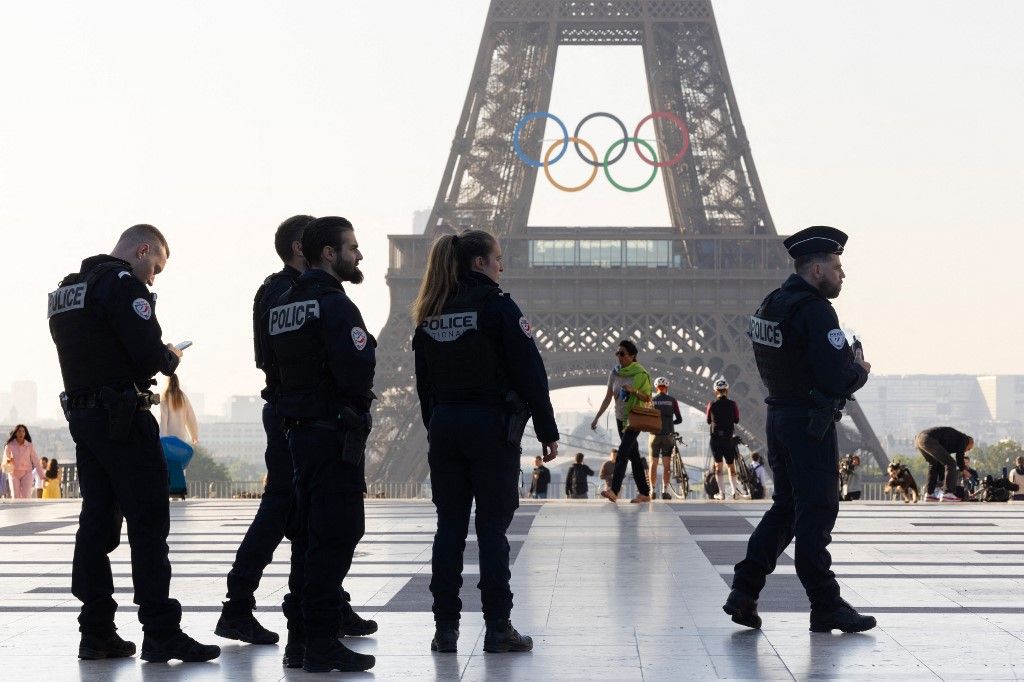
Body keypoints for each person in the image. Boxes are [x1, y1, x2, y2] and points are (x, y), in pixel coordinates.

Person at [47, 223, 219, 662]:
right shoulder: (122, 285)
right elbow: (148, 357)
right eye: (155, 267)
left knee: (96, 525)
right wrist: (170, 355)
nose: (153, 278)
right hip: (124, 417)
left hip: (85, 419)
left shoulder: (67, 291)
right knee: (148, 527)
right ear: (142, 250)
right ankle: (160, 631)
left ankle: (96, 630)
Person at [217, 216, 377, 656]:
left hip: (290, 410)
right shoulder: (306, 293)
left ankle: (312, 615)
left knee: (304, 518)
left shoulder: (277, 294)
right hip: (310, 416)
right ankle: (277, 611)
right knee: (301, 516)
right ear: (303, 247)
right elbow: (352, 365)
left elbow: (263, 357)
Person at [412, 229, 559, 654]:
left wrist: (437, 425)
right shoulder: (497, 307)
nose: (502, 265)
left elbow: (424, 386)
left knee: (449, 528)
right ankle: (498, 627)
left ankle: (445, 630)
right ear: (479, 263)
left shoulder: (430, 312)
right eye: (497, 258)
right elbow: (531, 372)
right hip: (490, 428)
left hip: (446, 426)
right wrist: (547, 431)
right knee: (491, 528)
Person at [724, 225, 876, 634]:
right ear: (815, 269)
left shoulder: (772, 303)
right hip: (810, 422)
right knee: (817, 511)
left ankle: (744, 590)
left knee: (787, 508)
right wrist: (858, 370)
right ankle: (826, 604)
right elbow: (835, 377)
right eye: (837, 266)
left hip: (779, 416)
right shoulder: (815, 310)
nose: (842, 274)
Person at [264, 216, 377, 673]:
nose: (359, 254)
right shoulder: (335, 304)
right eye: (352, 247)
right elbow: (356, 370)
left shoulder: (283, 304)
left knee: (307, 536)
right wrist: (366, 345)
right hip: (333, 433)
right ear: (329, 253)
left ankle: (300, 640)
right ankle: (322, 643)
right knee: (337, 534)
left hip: (296, 431)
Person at [592, 340, 653, 503]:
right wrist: (597, 416)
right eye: (617, 353)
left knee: (623, 452)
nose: (619, 357)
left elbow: (647, 397)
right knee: (634, 456)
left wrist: (633, 390)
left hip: (634, 418)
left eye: (622, 354)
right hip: (620, 418)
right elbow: (608, 397)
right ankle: (645, 493)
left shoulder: (640, 374)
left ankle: (614, 490)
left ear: (632, 356)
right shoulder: (615, 372)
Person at [159, 374, 199, 499]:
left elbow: (162, 420)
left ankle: (168, 490)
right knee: (180, 466)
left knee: (165, 466)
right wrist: (194, 435)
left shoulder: (164, 397)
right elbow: (191, 418)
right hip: (180, 439)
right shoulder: (183, 397)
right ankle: (179, 490)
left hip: (167, 439)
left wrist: (161, 438)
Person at [915, 426, 973, 502]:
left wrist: (943, 480)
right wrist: (963, 470)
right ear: (969, 442)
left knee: (933, 464)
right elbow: (959, 456)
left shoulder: (952, 441)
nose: (966, 451)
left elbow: (941, 464)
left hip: (919, 440)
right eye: (968, 448)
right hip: (928, 439)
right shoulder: (964, 439)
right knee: (951, 463)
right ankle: (948, 494)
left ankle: (930, 494)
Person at [648, 377, 682, 500]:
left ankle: (652, 490)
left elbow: (647, 417)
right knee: (667, 465)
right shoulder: (672, 400)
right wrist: (670, 423)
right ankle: (665, 490)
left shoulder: (651, 400)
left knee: (653, 464)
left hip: (654, 435)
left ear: (656, 387)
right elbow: (679, 419)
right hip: (668, 435)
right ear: (667, 387)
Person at [706, 379, 740, 500]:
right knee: (731, 466)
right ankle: (734, 492)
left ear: (715, 390)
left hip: (716, 439)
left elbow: (708, 421)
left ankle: (722, 493)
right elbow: (736, 419)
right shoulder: (733, 404)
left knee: (718, 467)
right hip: (728, 439)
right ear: (727, 390)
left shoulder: (712, 404)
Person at [4, 425, 45, 500]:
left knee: (26, 496)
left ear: (25, 433)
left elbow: (35, 461)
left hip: (27, 473)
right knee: (15, 496)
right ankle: (16, 511)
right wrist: (8, 467)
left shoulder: (29, 446)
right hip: (14, 474)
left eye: (23, 431)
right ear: (15, 433)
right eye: (19, 431)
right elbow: (6, 459)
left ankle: (25, 511)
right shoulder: (10, 445)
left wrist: (42, 475)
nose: (21, 433)